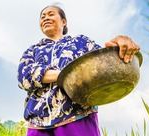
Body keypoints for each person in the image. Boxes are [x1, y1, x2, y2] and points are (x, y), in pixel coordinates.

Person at [17, 5, 140, 136]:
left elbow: (103, 63)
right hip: (37, 124)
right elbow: (24, 76)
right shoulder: (33, 50)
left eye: (51, 14)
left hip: (78, 117)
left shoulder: (80, 42)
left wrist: (119, 46)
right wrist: (68, 74)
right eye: (42, 17)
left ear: (63, 22)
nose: (45, 18)